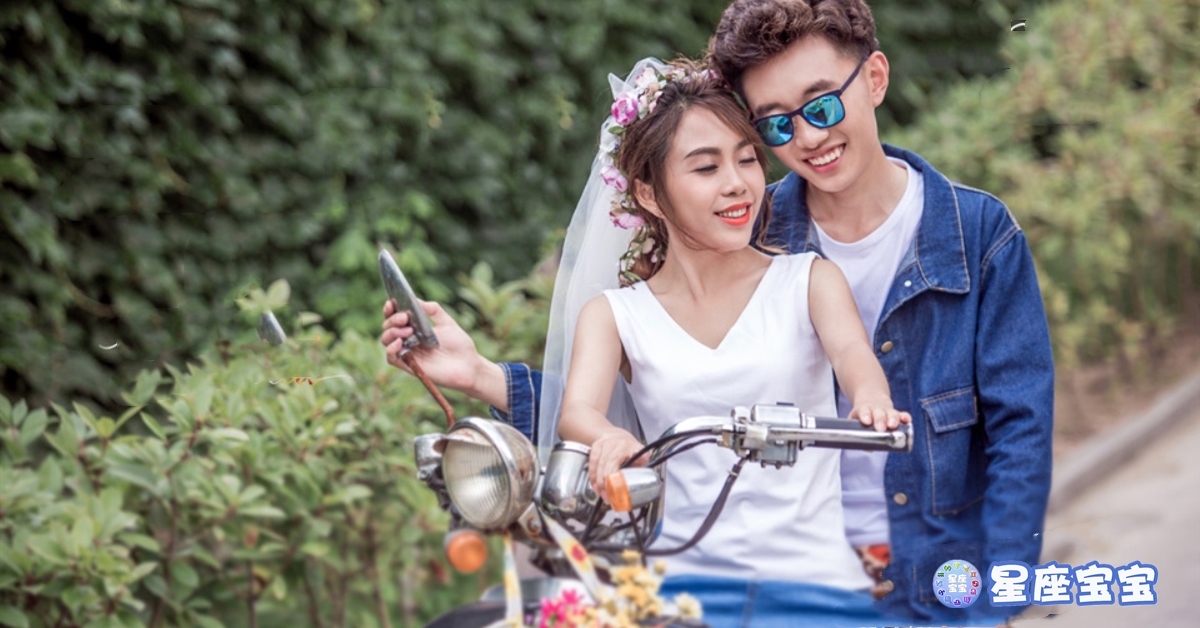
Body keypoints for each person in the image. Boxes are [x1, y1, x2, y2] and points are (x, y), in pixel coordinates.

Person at [382, 1, 1055, 625]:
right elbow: (630, 408)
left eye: (822, 105)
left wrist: (1000, 597)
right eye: (776, 124)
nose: (806, 137)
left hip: (919, 571)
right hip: (711, 577)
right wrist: (478, 375)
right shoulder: (743, 228)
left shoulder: (971, 233)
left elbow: (1019, 431)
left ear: (874, 78)